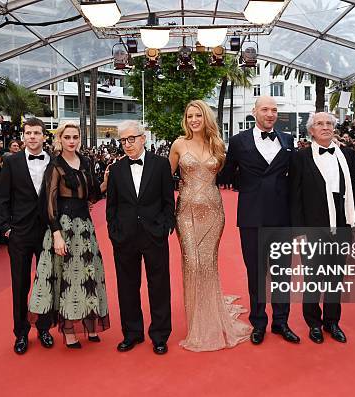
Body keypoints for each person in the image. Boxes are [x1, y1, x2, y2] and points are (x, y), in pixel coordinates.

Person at [168, 100, 252, 352]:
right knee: (192, 263)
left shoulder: (217, 144)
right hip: (186, 213)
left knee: (207, 264)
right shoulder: (178, 144)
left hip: (214, 213)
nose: (194, 120)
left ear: (206, 118)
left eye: (198, 115)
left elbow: (227, 176)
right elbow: (164, 177)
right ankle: (197, 321)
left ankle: (210, 314)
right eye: (190, 115)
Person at [221, 96, 300, 345]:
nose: (270, 114)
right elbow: (226, 174)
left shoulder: (288, 140)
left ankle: (281, 322)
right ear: (254, 112)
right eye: (265, 109)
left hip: (281, 218)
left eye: (274, 110)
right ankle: (258, 322)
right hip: (251, 217)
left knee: (281, 272)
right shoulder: (237, 141)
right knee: (256, 273)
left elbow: (295, 178)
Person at [28, 123, 109, 349]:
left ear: (80, 139)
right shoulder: (54, 166)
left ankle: (90, 324)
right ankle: (69, 330)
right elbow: (48, 203)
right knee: (68, 279)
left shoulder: (86, 162)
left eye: (75, 137)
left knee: (89, 276)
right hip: (64, 226)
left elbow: (91, 196)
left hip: (85, 227)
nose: (71, 141)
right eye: (67, 137)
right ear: (60, 140)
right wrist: (56, 235)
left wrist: (105, 182)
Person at [106, 120, 175, 355]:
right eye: (123, 140)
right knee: (127, 287)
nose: (127, 144)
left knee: (159, 286)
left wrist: (165, 226)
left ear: (143, 138)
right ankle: (132, 333)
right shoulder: (115, 170)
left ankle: (160, 335)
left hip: (154, 235)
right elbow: (111, 206)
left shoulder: (161, 165)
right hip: (124, 238)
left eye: (131, 139)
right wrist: (114, 232)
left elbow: (168, 201)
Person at [290, 112, 355, 345]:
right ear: (311, 130)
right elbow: (295, 196)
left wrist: (354, 222)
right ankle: (313, 323)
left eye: (329, 123)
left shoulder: (347, 155)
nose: (325, 127)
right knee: (313, 278)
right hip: (313, 226)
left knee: (335, 277)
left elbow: (353, 193)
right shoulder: (301, 157)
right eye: (320, 124)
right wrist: (298, 231)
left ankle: (332, 321)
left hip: (341, 224)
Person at [0, 118, 54, 355]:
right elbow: (3, 198)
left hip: (47, 232)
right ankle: (20, 333)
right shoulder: (11, 162)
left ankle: (44, 328)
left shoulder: (54, 161)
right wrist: (6, 227)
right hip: (20, 232)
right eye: (28, 133)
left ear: (44, 136)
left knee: (46, 282)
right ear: (23, 136)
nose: (32, 137)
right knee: (19, 284)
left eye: (36, 133)